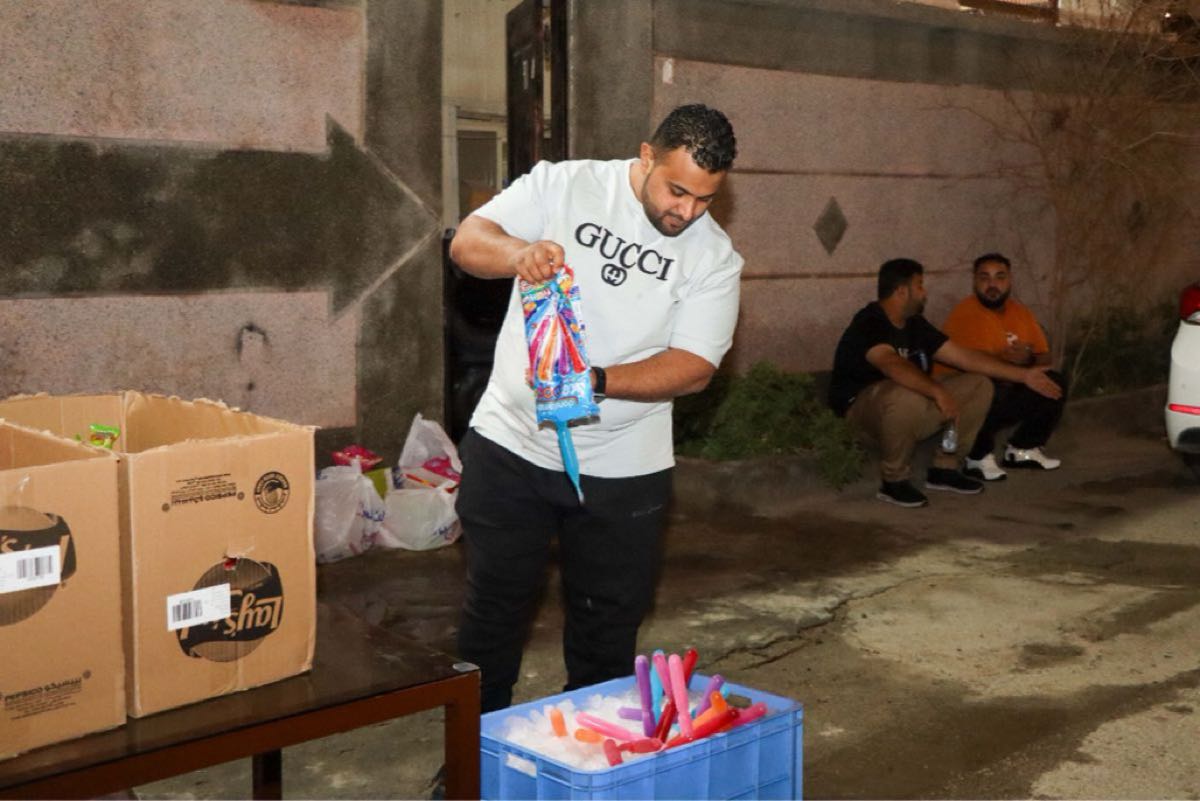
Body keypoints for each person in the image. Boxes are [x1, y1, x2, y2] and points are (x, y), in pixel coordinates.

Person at [447, 104, 742, 713]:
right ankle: (475, 754)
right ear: (646, 157)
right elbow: (468, 242)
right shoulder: (565, 184)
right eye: (677, 191)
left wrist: (595, 381)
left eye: (705, 199)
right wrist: (517, 255)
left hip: (625, 467)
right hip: (511, 444)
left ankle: (586, 756)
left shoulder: (714, 257)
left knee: (606, 633)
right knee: (492, 617)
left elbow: (695, 366)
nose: (687, 212)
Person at [829, 258, 1062, 508]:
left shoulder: (915, 324)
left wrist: (1024, 376)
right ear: (902, 291)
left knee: (979, 384)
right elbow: (890, 363)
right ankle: (893, 481)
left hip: (911, 410)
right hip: (864, 416)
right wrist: (936, 391)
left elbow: (964, 357)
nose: (924, 293)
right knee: (903, 393)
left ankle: (944, 469)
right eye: (920, 285)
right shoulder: (870, 321)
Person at [940, 252, 1068, 481]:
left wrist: (1029, 360)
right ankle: (977, 456)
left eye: (999, 277)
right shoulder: (966, 313)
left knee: (1054, 381)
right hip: (965, 394)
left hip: (1007, 385)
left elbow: (1044, 358)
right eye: (984, 278)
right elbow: (975, 365)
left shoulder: (1019, 312)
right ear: (974, 281)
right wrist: (1013, 365)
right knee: (986, 385)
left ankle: (1023, 449)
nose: (992, 285)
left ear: (1010, 280)